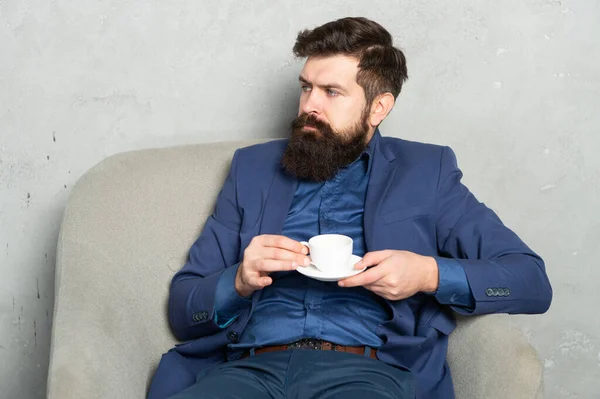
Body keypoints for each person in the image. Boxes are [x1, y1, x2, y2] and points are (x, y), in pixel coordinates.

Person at [147, 17, 552, 399]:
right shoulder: (252, 170)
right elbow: (183, 308)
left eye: (332, 92)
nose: (310, 105)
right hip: (247, 370)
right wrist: (238, 280)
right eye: (306, 87)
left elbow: (530, 279)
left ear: (379, 108)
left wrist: (428, 273)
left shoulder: (427, 172)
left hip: (366, 373)